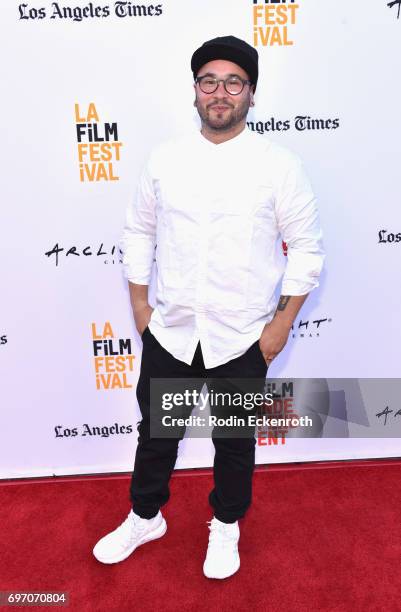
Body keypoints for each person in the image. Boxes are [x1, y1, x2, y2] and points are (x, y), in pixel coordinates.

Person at [93, 35, 325, 579]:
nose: (220, 92)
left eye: (233, 82)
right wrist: (139, 307)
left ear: (251, 94)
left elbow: (308, 248)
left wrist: (280, 327)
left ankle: (226, 526)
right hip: (171, 330)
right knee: (156, 435)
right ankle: (145, 515)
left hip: (242, 335)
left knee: (235, 440)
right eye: (209, 81)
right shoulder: (165, 160)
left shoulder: (279, 165)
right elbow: (138, 232)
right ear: (195, 92)